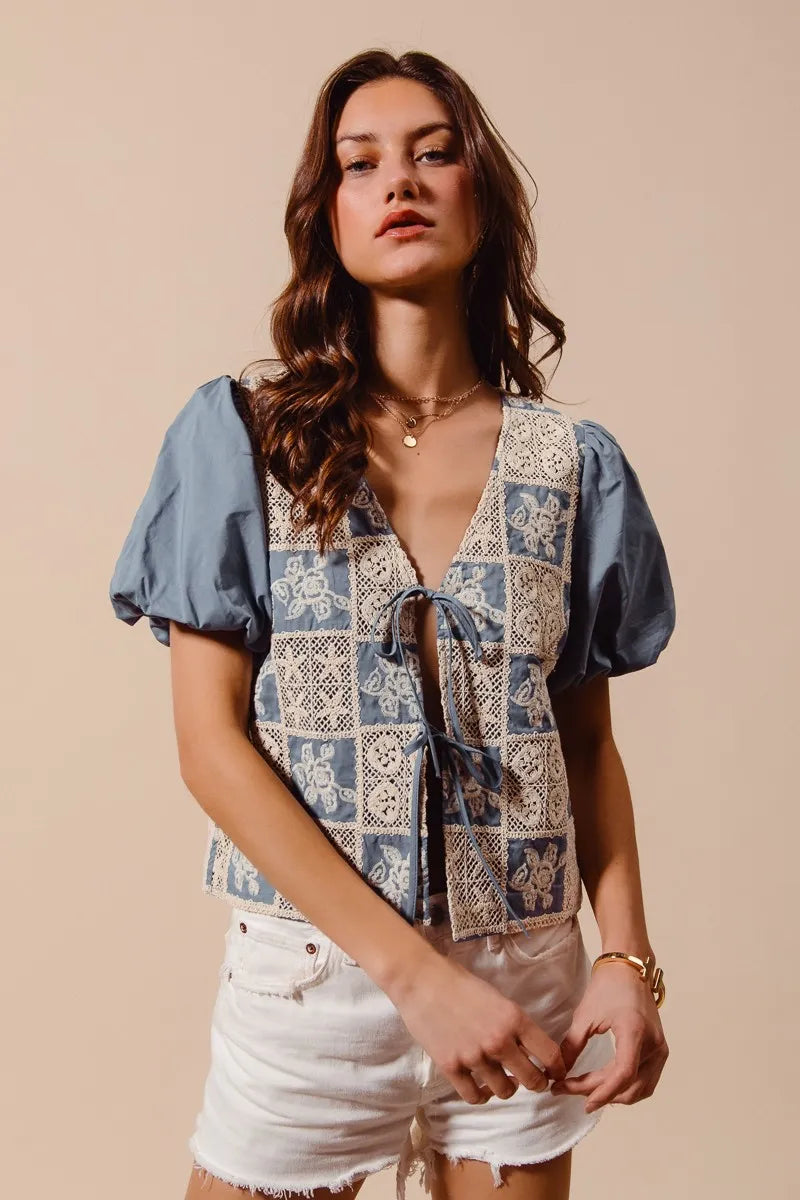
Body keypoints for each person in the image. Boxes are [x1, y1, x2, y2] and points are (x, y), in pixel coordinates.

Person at [109, 49, 675, 1200]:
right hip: (317, 981)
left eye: (432, 152)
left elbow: (585, 747)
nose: (398, 182)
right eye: (359, 164)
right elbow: (210, 750)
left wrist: (624, 959)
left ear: (483, 194)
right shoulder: (243, 439)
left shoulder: (570, 464)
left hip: (528, 975)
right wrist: (413, 976)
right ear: (328, 217)